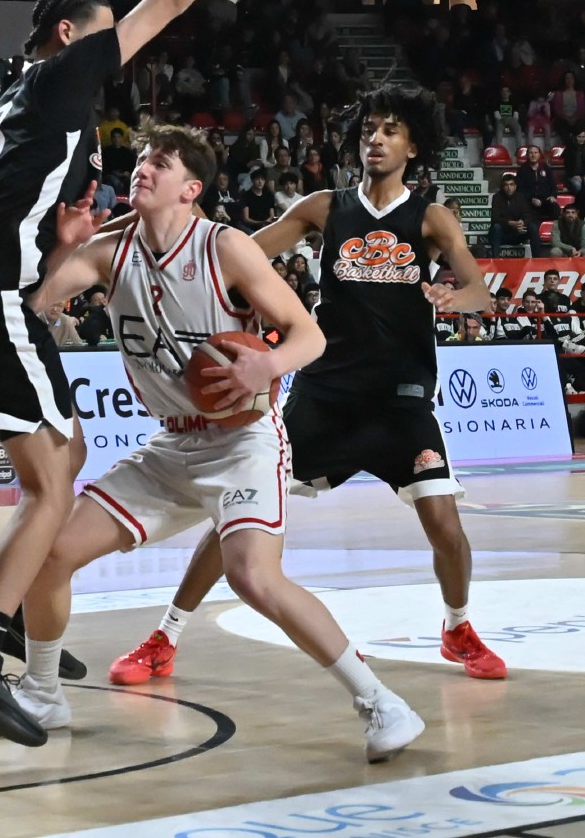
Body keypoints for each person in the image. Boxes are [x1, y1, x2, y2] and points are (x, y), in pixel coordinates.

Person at [0, 0, 295, 746]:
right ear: (68, 36)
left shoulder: (22, 101)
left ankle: (11, 618)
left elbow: (31, 207)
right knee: (53, 483)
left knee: (68, 449)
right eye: (100, 34)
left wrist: (61, 227)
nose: (114, 48)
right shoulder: (62, 75)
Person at [0, 120, 425, 762]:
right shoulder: (110, 250)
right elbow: (39, 304)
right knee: (50, 555)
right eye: (140, 159)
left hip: (244, 441)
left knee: (252, 575)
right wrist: (63, 245)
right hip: (170, 448)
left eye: (160, 162)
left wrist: (265, 367)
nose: (143, 168)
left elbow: (309, 335)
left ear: (190, 188)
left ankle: (382, 702)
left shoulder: (225, 247)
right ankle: (45, 694)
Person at [102, 88, 505, 694]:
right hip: (325, 395)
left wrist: (454, 296)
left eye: (390, 130)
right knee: (240, 516)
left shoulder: (431, 218)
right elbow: (238, 251)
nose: (376, 138)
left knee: (445, 525)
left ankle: (458, 627)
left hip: (400, 398)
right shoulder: (324, 207)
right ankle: (166, 636)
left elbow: (481, 290)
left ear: (412, 146)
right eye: (369, 128)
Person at [488, 172, 541, 257]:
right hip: (502, 234)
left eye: (511, 185)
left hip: (518, 233)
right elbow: (495, 218)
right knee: (496, 227)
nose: (509, 188)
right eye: (506, 185)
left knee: (533, 227)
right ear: (502, 186)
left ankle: (537, 259)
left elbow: (528, 215)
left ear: (515, 186)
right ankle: (495, 259)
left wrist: (522, 223)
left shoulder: (521, 197)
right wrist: (511, 223)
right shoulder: (497, 197)